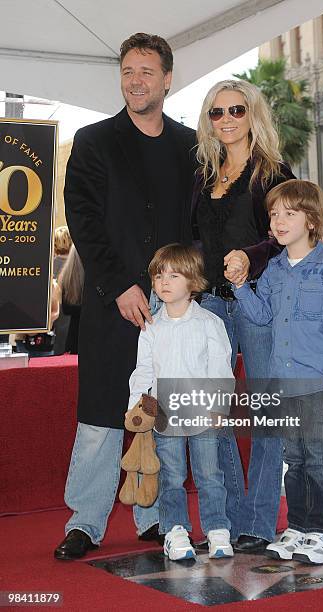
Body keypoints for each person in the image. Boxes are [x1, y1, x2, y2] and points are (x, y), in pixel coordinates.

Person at [54, 33, 196, 560]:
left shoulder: (189, 147)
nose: (135, 81)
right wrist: (119, 286)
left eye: (145, 72)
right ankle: (85, 522)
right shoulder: (93, 141)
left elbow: (198, 224)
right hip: (111, 305)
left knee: (158, 415)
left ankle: (155, 517)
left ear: (166, 79)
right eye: (128, 71)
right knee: (98, 417)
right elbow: (84, 223)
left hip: (172, 307)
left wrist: (179, 287)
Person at [193, 78, 295, 552]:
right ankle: (229, 518)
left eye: (236, 110)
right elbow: (193, 239)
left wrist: (248, 258)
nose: (227, 120)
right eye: (217, 113)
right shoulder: (201, 174)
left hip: (258, 301)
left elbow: (286, 236)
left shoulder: (273, 172)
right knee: (210, 413)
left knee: (265, 414)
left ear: (253, 114)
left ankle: (258, 520)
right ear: (208, 121)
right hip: (209, 304)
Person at [230, 179, 323, 565]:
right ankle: (299, 528)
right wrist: (240, 289)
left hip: (317, 377)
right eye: (274, 214)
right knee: (294, 458)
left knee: (319, 456)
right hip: (282, 381)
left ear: (312, 220)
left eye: (290, 213)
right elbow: (262, 316)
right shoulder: (274, 270)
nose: (280, 221)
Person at [128, 244, 235, 561]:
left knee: (210, 476)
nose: (164, 282)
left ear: (193, 281)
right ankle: (174, 531)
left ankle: (217, 530)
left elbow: (221, 369)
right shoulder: (150, 328)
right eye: (159, 275)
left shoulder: (210, 323)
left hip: (203, 413)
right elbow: (143, 371)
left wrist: (220, 407)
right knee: (171, 477)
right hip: (164, 416)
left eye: (174, 275)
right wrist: (137, 407)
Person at [58, 246, 84, 354]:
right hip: (89, 331)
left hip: (73, 333)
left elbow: (66, 309)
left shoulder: (66, 277)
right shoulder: (93, 276)